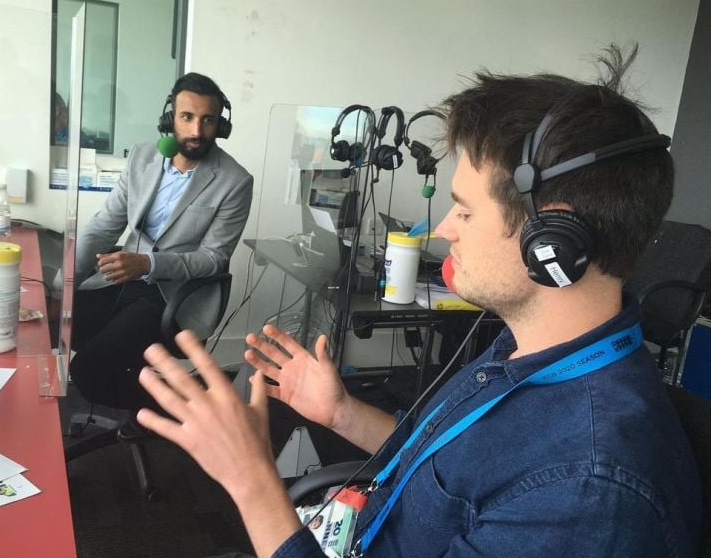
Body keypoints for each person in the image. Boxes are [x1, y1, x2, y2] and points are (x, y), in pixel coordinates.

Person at [134, 47, 702, 557]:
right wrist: (343, 414)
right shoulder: (528, 347)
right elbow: (453, 470)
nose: (446, 229)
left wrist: (250, 481)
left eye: (467, 209)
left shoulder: (587, 493)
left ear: (552, 240)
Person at [70, 72, 253, 409]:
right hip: (119, 284)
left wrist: (148, 263)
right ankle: (149, 395)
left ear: (220, 126)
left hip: (173, 300)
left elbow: (213, 258)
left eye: (208, 120)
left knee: (87, 369)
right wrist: (62, 288)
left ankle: (184, 416)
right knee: (58, 326)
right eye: (187, 117)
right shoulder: (142, 158)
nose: (197, 131)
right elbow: (102, 228)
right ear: (170, 120)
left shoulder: (235, 181)